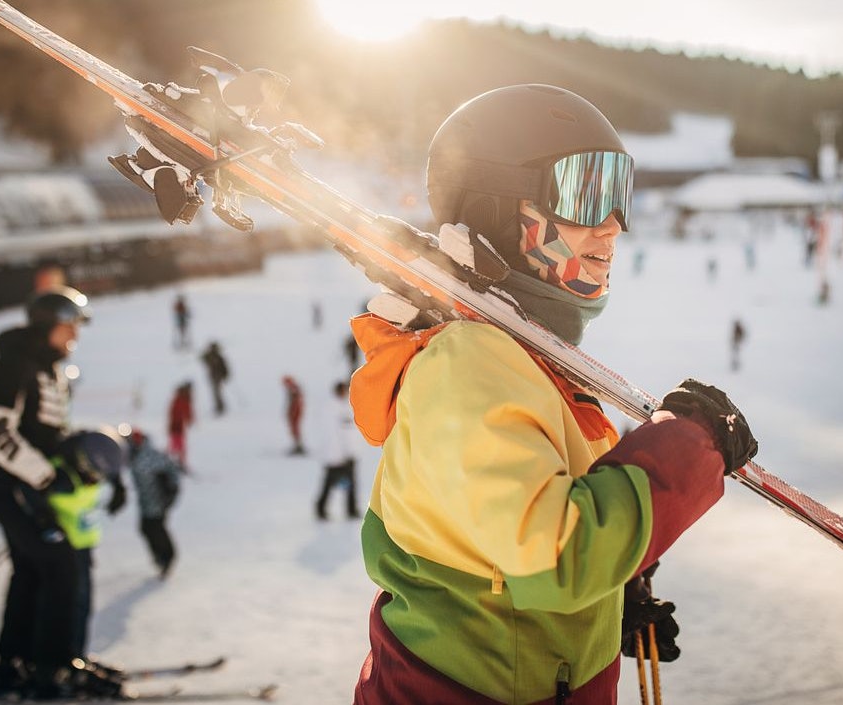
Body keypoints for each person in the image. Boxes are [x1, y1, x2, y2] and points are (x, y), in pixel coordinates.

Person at [347, 84, 757, 704]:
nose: (614, 226)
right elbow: (554, 558)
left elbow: (514, 560)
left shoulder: (528, 363)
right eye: (587, 194)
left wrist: (603, 602)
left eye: (618, 195)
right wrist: (689, 446)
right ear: (497, 209)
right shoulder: (468, 365)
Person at [0, 286, 122, 699]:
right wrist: (44, 477)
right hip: (7, 488)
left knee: (34, 569)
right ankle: (54, 667)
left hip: (29, 490)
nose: (74, 335)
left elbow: (47, 433)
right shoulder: (12, 366)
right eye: (68, 326)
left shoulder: (48, 368)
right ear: (47, 325)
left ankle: (20, 660)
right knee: (61, 567)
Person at [45, 429, 128, 665]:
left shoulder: (94, 456)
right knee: (68, 606)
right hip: (63, 549)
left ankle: (76, 655)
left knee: (82, 605)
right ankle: (63, 658)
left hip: (83, 546)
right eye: (94, 474)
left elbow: (109, 463)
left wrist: (118, 485)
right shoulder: (60, 474)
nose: (97, 479)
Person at [124, 428, 184, 577]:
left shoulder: (149, 456)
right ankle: (161, 557)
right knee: (146, 529)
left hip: (157, 501)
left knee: (154, 529)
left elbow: (171, 469)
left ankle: (167, 557)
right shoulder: (135, 455)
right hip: (146, 501)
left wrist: (171, 489)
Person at [315, 381, 359, 520]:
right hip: (337, 455)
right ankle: (322, 509)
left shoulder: (342, 406)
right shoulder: (333, 409)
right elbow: (335, 435)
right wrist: (343, 454)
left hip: (343, 453)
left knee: (348, 484)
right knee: (330, 483)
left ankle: (350, 509)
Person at [166, 381, 195, 467]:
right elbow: (177, 412)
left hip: (179, 425)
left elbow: (187, 411)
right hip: (177, 425)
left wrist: (189, 419)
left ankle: (178, 462)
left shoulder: (183, 399)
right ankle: (174, 462)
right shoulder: (181, 399)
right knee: (177, 445)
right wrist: (189, 419)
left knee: (178, 444)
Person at [199, 341, 231, 415]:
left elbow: (225, 368)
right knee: (216, 392)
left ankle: (220, 406)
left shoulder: (219, 357)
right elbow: (202, 358)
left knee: (217, 392)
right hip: (212, 376)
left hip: (217, 377)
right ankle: (219, 406)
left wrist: (225, 375)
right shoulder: (209, 356)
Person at [282, 375, 305, 455]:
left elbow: (296, 403)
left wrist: (292, 412)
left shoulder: (293, 389)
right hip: (294, 412)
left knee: (295, 429)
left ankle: (298, 446)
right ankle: (297, 445)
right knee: (294, 429)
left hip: (295, 412)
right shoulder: (293, 389)